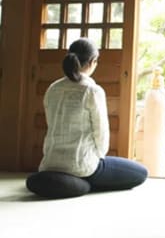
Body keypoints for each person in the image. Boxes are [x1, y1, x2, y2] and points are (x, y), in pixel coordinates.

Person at [26, 38, 147, 198]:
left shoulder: (53, 88)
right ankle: (81, 182)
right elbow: (101, 132)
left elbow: (52, 124)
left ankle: (73, 185)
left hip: (50, 164)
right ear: (92, 62)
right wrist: (98, 158)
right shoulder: (92, 90)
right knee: (140, 173)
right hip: (83, 165)